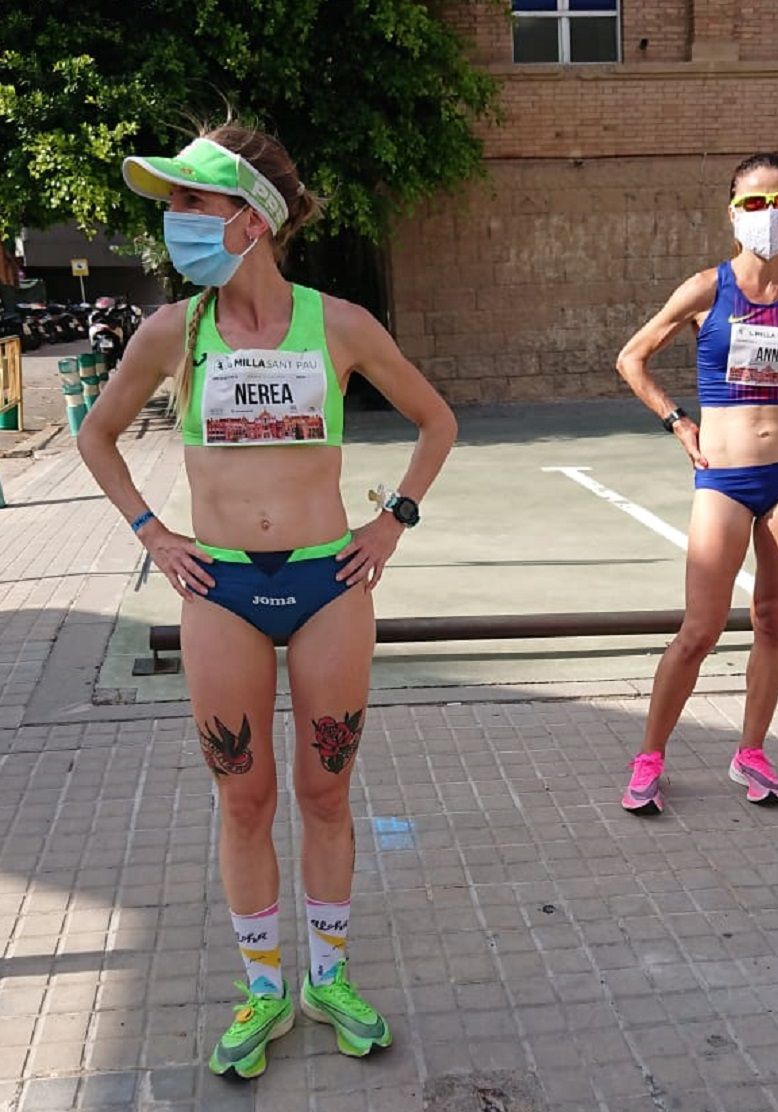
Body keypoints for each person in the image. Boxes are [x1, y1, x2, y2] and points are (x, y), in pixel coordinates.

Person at [78, 125, 457, 1078]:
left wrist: (392, 521)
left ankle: (328, 978)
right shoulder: (173, 331)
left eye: (189, 205)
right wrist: (152, 534)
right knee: (242, 798)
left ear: (250, 219)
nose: (173, 225)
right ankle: (263, 992)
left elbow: (435, 419)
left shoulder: (340, 324)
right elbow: (97, 437)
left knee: (325, 790)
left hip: (330, 583)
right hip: (221, 591)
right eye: (171, 206)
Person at [615, 152, 778, 815]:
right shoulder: (707, 287)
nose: (770, 215)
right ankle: (650, 757)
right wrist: (678, 424)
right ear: (734, 213)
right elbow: (631, 357)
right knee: (699, 630)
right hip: (724, 477)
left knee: (771, 620)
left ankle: (751, 751)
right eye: (756, 203)